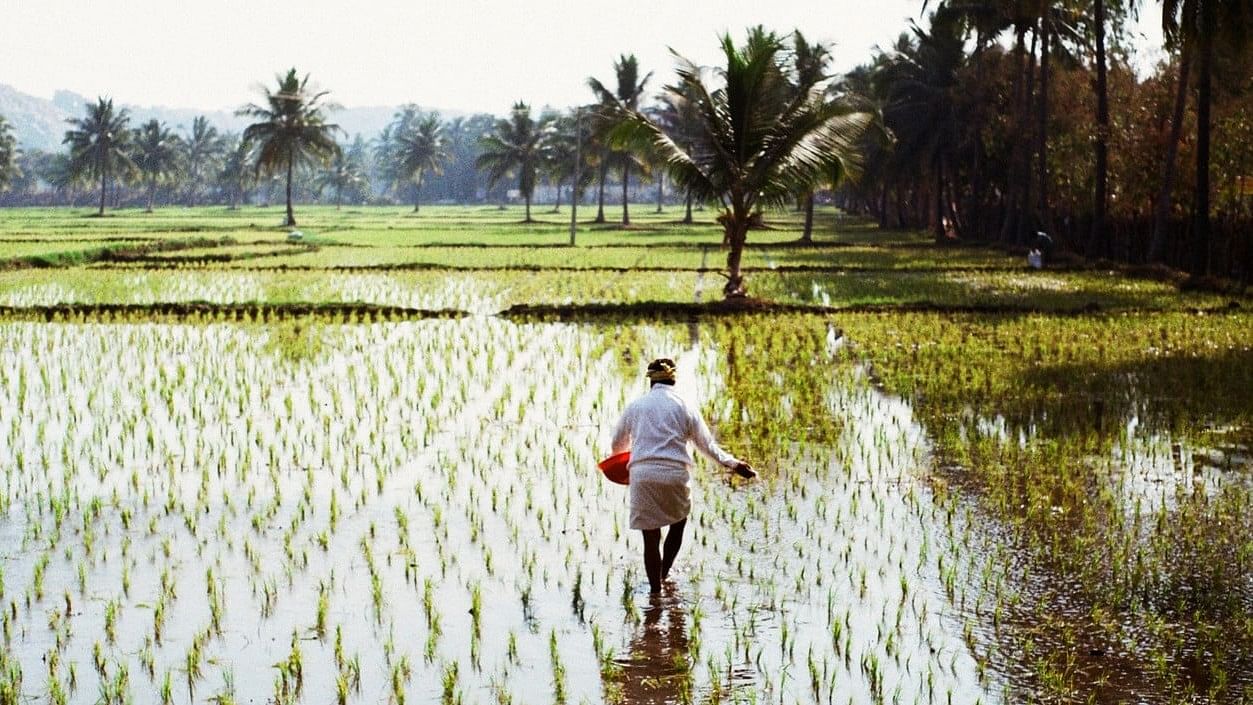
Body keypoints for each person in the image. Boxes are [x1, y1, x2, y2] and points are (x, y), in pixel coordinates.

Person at [610, 358, 755, 594]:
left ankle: (655, 591)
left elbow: (617, 444)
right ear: (673, 379)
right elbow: (707, 446)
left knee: (650, 539)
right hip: (675, 474)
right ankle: (664, 574)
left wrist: (624, 463)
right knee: (678, 525)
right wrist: (734, 464)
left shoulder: (636, 407)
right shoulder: (685, 406)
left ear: (650, 381)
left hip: (643, 474)